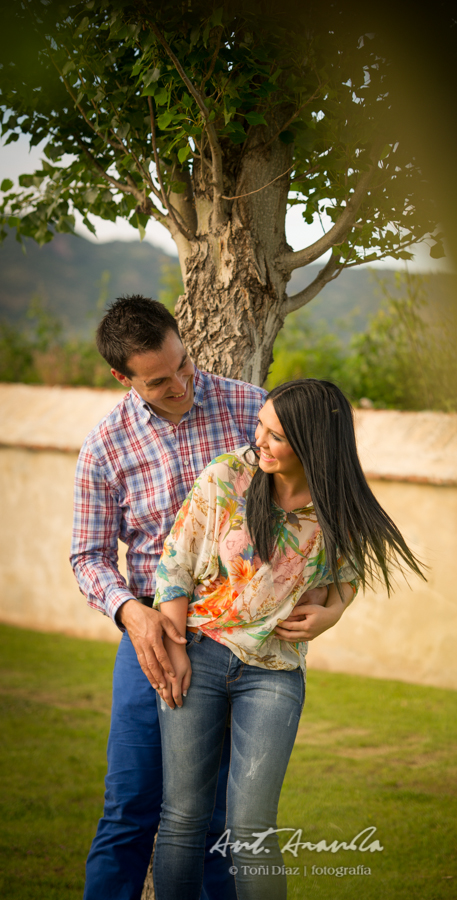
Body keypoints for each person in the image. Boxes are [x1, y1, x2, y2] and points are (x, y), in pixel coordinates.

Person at [70, 296, 326, 900]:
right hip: (152, 640)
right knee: (130, 808)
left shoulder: (250, 409)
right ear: (123, 378)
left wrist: (330, 605)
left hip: (239, 643)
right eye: (160, 381)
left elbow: (321, 497)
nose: (182, 383)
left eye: (184, 364)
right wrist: (133, 615)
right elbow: (87, 557)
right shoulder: (105, 446)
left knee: (216, 821)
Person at [151, 378, 424, 900]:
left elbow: (347, 576)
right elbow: (174, 567)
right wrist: (177, 649)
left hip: (274, 671)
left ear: (313, 442)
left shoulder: (336, 507)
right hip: (199, 654)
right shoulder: (226, 476)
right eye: (260, 426)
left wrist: (333, 614)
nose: (260, 442)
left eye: (276, 436)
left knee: (252, 826)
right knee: (183, 815)